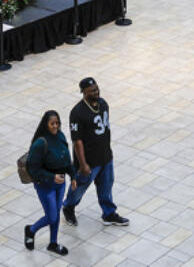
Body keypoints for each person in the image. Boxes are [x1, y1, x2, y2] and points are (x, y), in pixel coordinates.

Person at [62, 78, 129, 228]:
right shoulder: (77, 113)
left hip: (105, 156)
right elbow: (77, 141)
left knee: (106, 186)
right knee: (79, 187)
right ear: (84, 92)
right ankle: (68, 207)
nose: (96, 92)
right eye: (92, 90)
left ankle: (109, 213)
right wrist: (83, 164)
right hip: (89, 161)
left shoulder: (103, 104)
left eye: (97, 89)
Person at [24, 110, 75, 255]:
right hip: (45, 185)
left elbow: (66, 158)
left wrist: (73, 176)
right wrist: (52, 177)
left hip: (60, 184)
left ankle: (53, 243)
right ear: (46, 124)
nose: (55, 126)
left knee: (56, 215)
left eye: (57, 123)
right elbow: (32, 168)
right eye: (52, 123)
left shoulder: (61, 136)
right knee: (52, 216)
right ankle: (31, 230)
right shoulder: (40, 143)